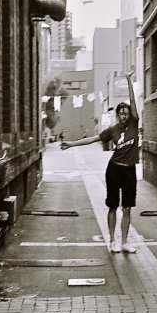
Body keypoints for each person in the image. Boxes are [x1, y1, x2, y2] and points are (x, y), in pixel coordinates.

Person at [61, 70, 139, 253]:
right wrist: (71, 144)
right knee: (112, 206)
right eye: (121, 113)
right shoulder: (112, 131)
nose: (124, 115)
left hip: (130, 172)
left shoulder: (134, 125)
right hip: (114, 170)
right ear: (117, 115)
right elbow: (92, 139)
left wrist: (128, 80)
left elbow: (134, 102)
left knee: (127, 207)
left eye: (127, 113)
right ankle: (113, 240)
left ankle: (125, 242)